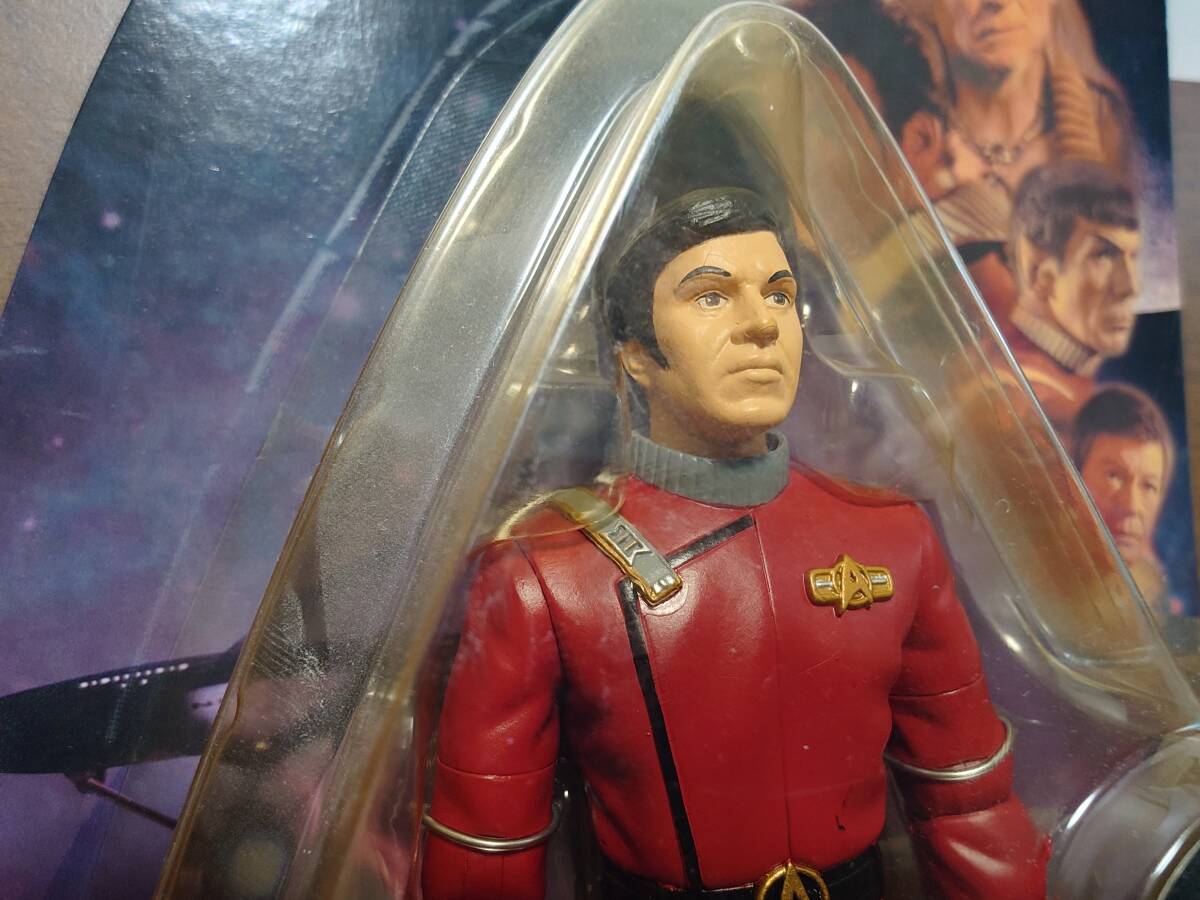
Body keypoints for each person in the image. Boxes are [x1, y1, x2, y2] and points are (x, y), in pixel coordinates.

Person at [420, 189, 1048, 899]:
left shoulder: (893, 538)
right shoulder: (544, 574)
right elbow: (485, 851)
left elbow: (969, 799)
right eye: (711, 297)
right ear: (635, 354)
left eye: (780, 295)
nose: (761, 325)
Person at [1006, 161, 1139, 433]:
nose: (1130, 286)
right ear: (1042, 275)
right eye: (1103, 255)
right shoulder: (1018, 392)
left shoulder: (1072, 380)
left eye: (1134, 257)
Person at [1072, 385, 1174, 617]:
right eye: (1114, 476)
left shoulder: (1153, 589)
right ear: (1073, 477)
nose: (1132, 506)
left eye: (1149, 486)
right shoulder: (1036, 564)